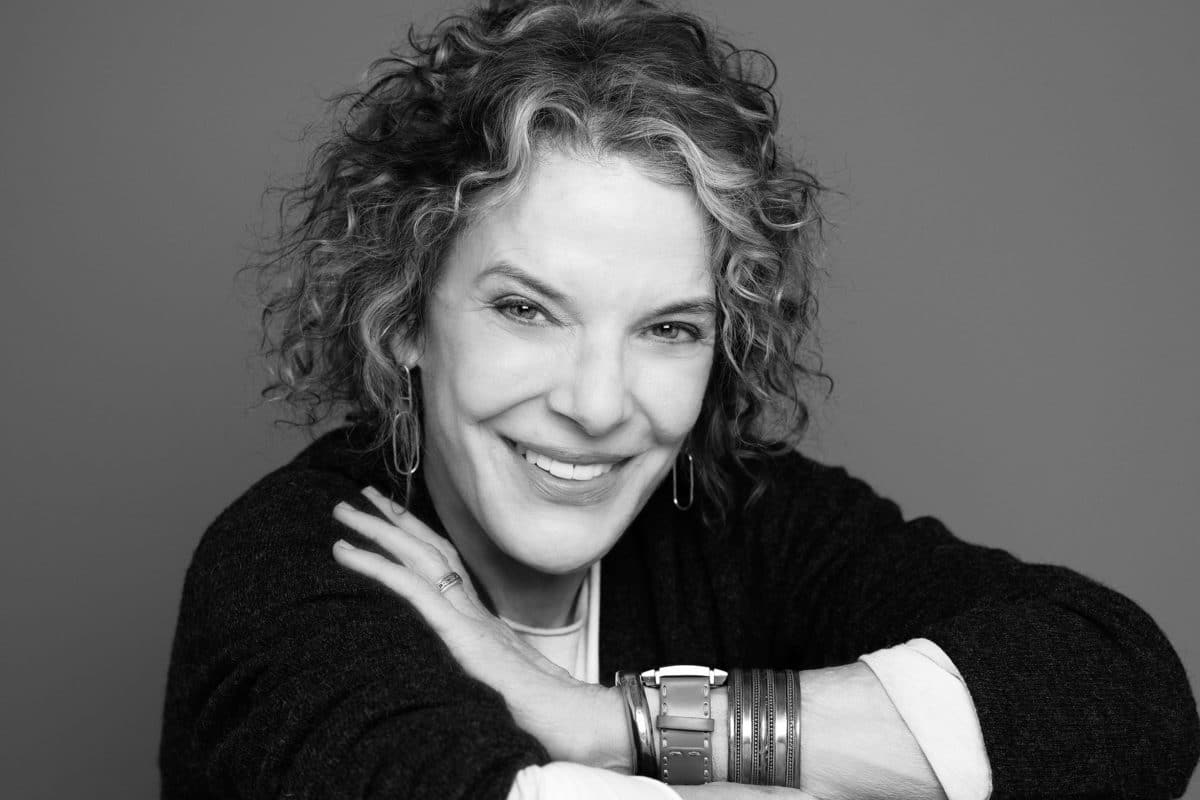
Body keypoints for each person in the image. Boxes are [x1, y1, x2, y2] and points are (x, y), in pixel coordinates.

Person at [159, 1, 1199, 798]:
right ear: (402, 319)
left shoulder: (730, 516)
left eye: (667, 328)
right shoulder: (291, 572)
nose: (600, 403)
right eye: (527, 309)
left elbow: (1122, 691)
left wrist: (617, 722)